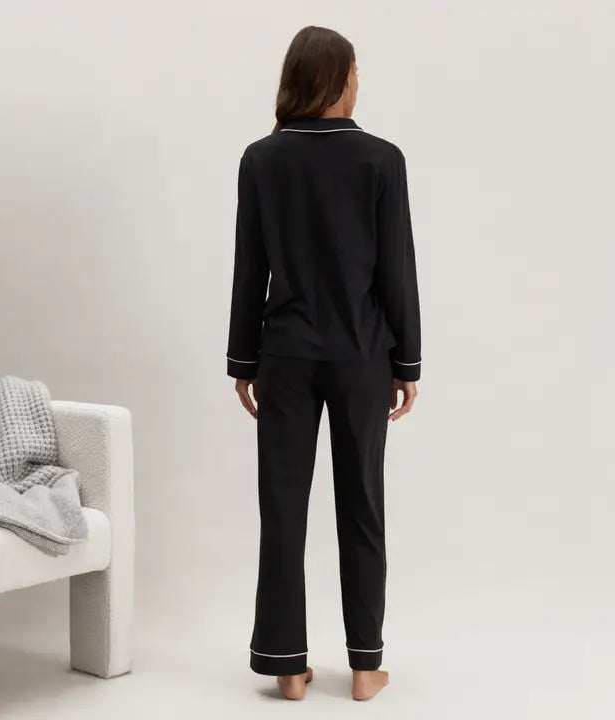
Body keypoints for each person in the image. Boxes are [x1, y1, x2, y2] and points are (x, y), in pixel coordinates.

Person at [226, 25, 421, 702]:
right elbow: (397, 270)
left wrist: (243, 359)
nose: (359, 82)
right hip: (364, 356)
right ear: (337, 79)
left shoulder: (262, 159)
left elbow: (250, 268)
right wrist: (407, 361)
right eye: (355, 70)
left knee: (282, 509)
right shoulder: (381, 160)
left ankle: (288, 667)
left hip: (285, 355)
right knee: (362, 503)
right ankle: (365, 668)